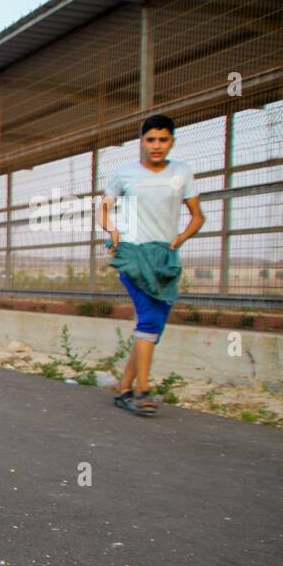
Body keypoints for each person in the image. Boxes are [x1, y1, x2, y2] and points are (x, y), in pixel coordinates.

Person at [101, 114, 204, 417]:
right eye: (150, 140)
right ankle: (142, 392)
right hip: (131, 252)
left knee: (155, 324)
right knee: (148, 318)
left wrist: (180, 239)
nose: (156, 146)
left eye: (163, 139)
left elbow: (198, 216)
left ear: (172, 141)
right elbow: (103, 209)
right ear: (142, 142)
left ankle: (124, 389)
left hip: (164, 255)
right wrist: (111, 229)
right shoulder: (124, 173)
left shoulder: (182, 173)